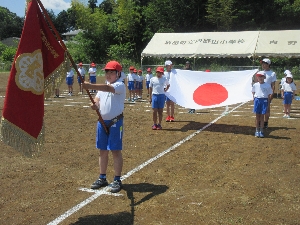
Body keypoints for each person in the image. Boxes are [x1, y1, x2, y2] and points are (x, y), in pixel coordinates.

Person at [82, 60, 126, 193]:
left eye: (112, 72)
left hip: (115, 122)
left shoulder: (120, 85)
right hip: (101, 122)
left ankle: (117, 179)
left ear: (118, 73)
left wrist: (89, 86)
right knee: (102, 151)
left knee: (115, 151)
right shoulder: (105, 85)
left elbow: (107, 89)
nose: (108, 75)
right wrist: (94, 104)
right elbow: (98, 98)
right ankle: (102, 177)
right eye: (107, 72)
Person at [252, 71, 273, 138]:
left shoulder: (267, 85)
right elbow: (253, 92)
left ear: (264, 77)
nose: (260, 78)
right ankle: (257, 130)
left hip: (264, 101)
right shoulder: (255, 85)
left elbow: (270, 93)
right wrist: (254, 99)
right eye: (258, 76)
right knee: (257, 117)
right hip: (257, 100)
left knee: (262, 117)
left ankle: (261, 131)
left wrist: (268, 101)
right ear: (257, 77)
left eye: (261, 76)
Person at [261, 58, 276, 128]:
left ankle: (265, 122)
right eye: (262, 64)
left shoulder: (272, 73)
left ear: (268, 65)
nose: (263, 65)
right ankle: (260, 121)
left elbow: (273, 84)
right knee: (260, 108)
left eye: (265, 64)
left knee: (267, 108)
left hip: (267, 93)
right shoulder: (260, 72)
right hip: (260, 93)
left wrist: (272, 93)